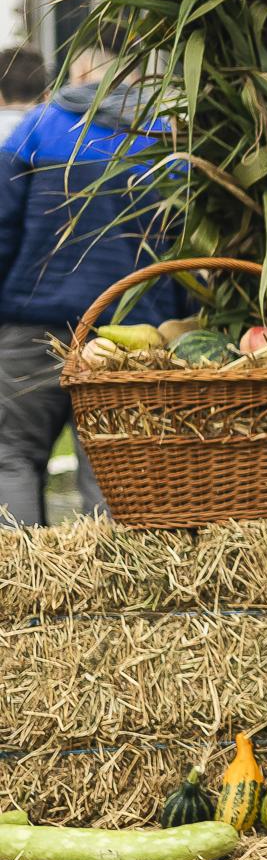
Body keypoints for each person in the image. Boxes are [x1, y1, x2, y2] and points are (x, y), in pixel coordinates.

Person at [0, 47, 182, 526]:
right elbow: (182, 244)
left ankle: (19, 567)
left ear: (80, 72)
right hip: (134, 335)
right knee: (114, 465)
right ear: (137, 78)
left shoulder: (39, 127)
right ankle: (112, 569)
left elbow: (2, 226)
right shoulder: (161, 138)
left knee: (13, 455)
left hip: (33, 325)